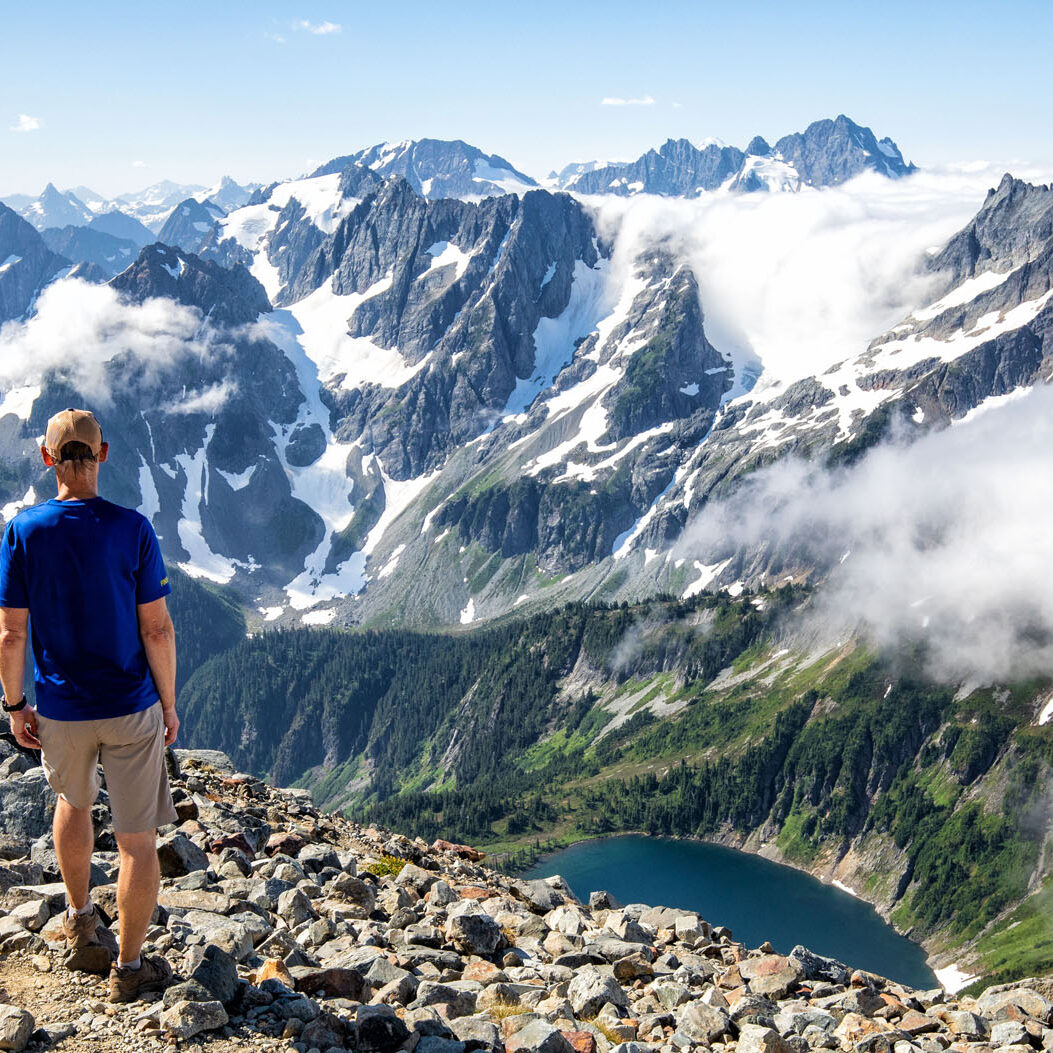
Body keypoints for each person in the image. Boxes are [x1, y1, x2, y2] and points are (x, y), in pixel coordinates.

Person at [0, 408, 179, 1004]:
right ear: (102, 455)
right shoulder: (133, 529)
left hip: (60, 709)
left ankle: (80, 919)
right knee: (136, 840)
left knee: (72, 804)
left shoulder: (24, 531)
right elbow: (156, 630)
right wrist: (169, 706)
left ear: (47, 459)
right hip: (129, 707)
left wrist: (15, 703)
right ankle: (129, 968)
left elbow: (11, 634)